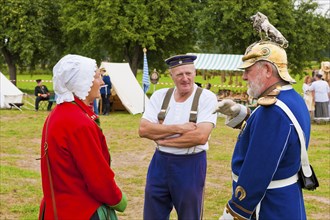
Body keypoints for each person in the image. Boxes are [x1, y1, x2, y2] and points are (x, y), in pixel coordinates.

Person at [214, 40, 311, 219]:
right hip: (284, 199)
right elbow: (271, 138)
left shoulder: (273, 111)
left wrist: (235, 211)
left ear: (267, 69)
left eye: (248, 70)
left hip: (268, 205)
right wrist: (242, 114)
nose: (244, 77)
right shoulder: (290, 98)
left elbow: (258, 169)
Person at [38, 54, 127, 220]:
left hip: (60, 207)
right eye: (96, 77)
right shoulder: (78, 121)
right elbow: (98, 178)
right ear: (82, 82)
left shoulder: (60, 113)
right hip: (80, 210)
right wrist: (117, 199)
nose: (101, 82)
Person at [138, 54, 218, 220]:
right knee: (153, 214)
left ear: (195, 73)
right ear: (171, 75)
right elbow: (144, 129)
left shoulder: (206, 97)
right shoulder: (160, 95)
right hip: (159, 163)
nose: (185, 78)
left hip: (191, 164)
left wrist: (162, 138)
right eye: (179, 74)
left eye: (188, 73)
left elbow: (200, 136)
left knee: (189, 215)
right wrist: (180, 128)